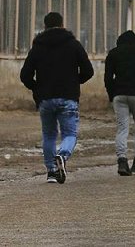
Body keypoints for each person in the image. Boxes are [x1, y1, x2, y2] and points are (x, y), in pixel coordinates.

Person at [19, 12, 94, 184]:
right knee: (70, 134)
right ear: (62, 25)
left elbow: (25, 75)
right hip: (68, 97)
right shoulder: (73, 45)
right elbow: (88, 71)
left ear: (44, 26)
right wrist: (74, 82)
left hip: (45, 99)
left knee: (49, 135)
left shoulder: (37, 47)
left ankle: (52, 172)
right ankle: (62, 155)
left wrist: (37, 87)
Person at [103, 30, 135, 176]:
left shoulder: (113, 53)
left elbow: (108, 78)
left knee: (122, 128)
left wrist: (112, 95)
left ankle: (122, 160)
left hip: (119, 95)